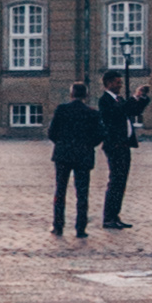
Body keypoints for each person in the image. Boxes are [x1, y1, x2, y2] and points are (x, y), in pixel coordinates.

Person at [97, 68, 150, 228]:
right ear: (109, 83)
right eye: (117, 82)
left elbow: (134, 110)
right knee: (115, 181)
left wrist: (141, 97)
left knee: (121, 182)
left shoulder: (119, 99)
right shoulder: (105, 100)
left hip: (124, 145)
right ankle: (108, 218)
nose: (120, 85)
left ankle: (115, 215)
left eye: (120, 83)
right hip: (115, 145)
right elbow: (118, 112)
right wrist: (134, 97)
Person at [49, 81, 99, 236]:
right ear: (86, 95)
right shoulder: (92, 112)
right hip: (83, 156)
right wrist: (88, 145)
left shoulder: (62, 110)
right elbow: (100, 135)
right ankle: (81, 228)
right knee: (82, 193)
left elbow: (52, 132)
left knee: (60, 191)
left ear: (71, 94)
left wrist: (62, 143)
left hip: (63, 155)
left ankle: (58, 226)